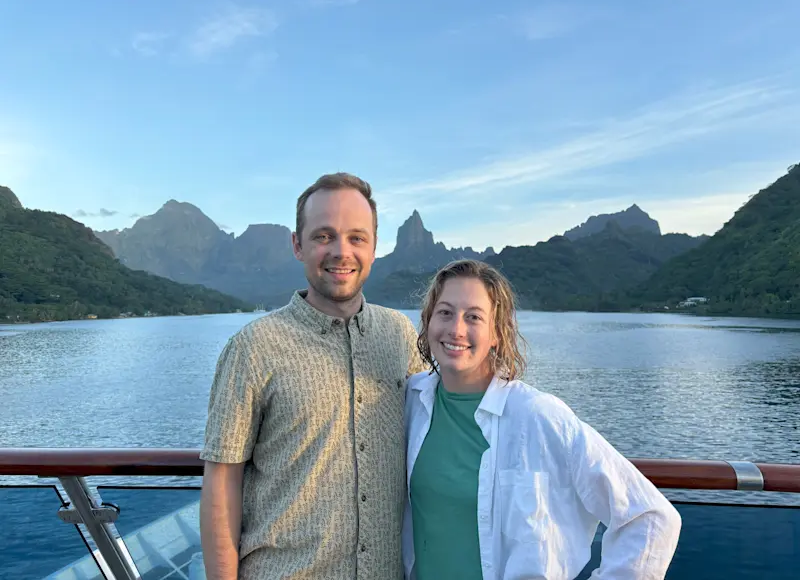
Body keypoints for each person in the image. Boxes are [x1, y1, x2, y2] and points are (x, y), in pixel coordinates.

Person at [199, 172, 426, 580]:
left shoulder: (400, 336)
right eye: (324, 236)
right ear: (297, 245)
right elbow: (221, 483)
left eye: (357, 237)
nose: (342, 252)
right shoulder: (253, 347)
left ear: (375, 247)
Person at [402, 259, 682, 580]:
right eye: (445, 312)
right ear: (428, 320)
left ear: (496, 333)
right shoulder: (412, 400)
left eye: (474, 317)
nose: (456, 329)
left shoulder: (537, 415)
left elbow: (650, 516)